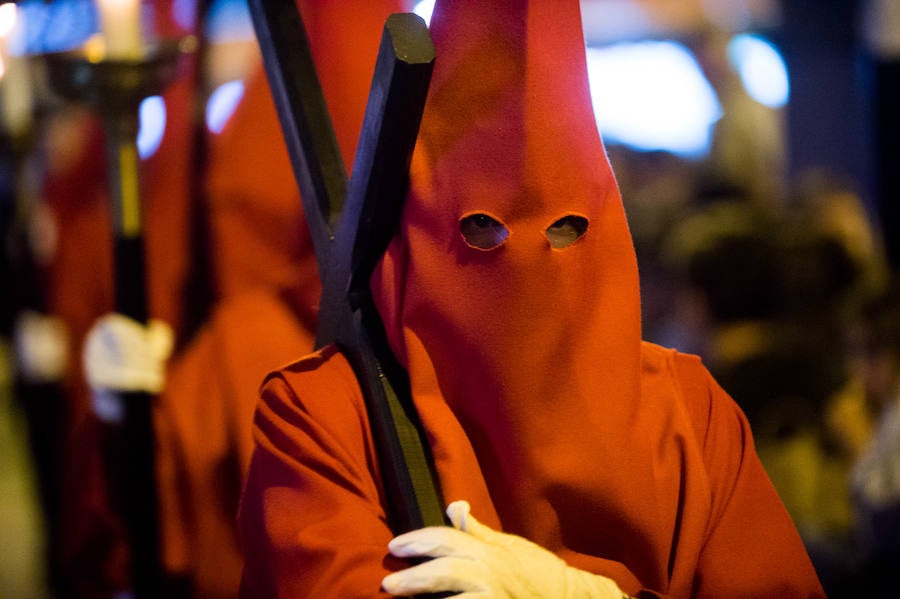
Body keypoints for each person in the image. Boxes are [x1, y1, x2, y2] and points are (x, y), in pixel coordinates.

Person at [236, 0, 826, 597]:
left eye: (566, 229)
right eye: (480, 228)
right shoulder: (324, 415)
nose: (523, 253)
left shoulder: (691, 417)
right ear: (422, 231)